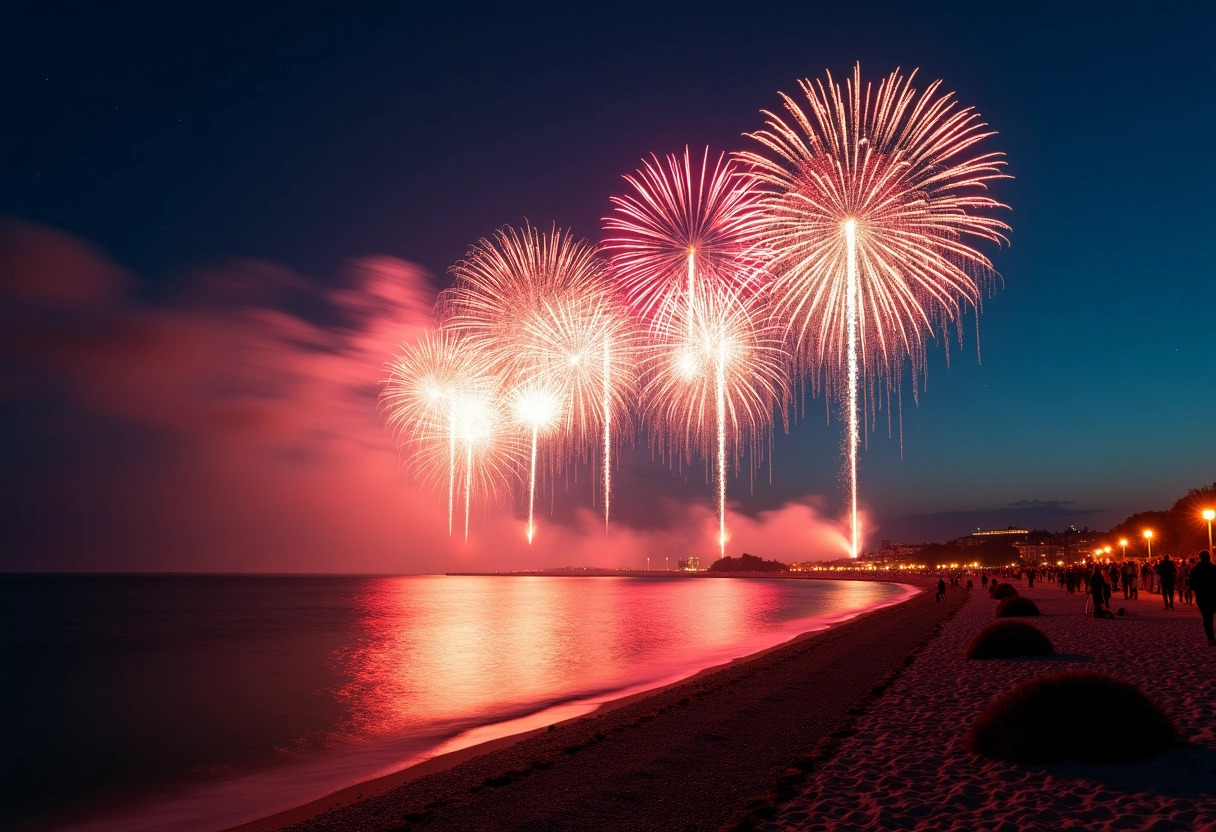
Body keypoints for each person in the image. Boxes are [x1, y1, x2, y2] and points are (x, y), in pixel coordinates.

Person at [1189, 550, 1216, 646]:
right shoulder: (1214, 568)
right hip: (1214, 596)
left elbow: (1192, 585)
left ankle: (1211, 638)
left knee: (1207, 619)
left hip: (1202, 597)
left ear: (1200, 558)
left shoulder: (1195, 570)